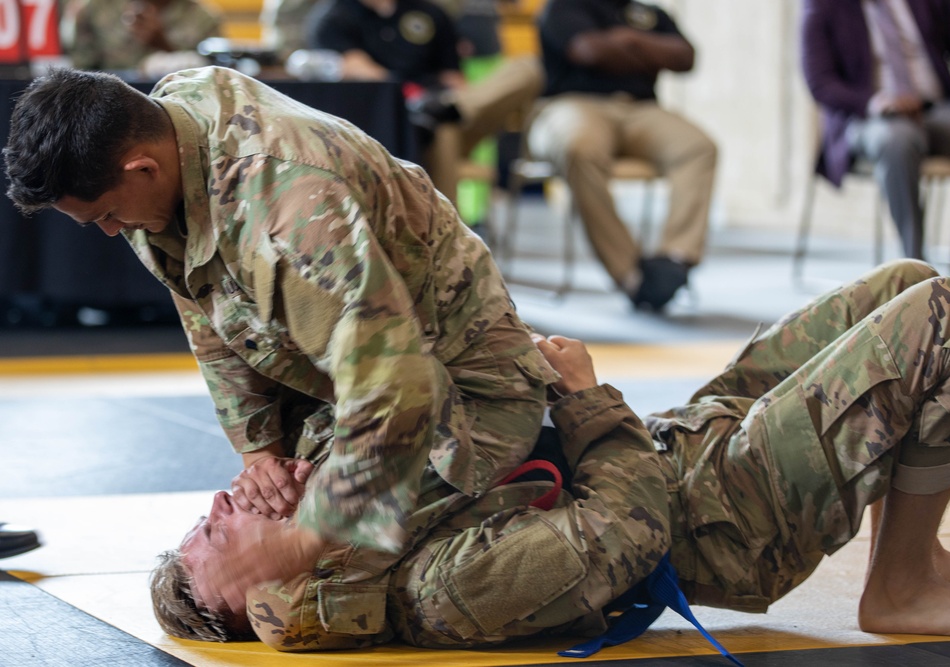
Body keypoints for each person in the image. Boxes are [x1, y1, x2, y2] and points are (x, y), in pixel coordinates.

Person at [150, 259, 950, 648]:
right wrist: (584, 396)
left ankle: (914, 552)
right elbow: (631, 524)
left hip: (681, 442)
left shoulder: (345, 495)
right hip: (727, 514)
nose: (224, 503)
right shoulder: (445, 591)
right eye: (218, 533)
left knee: (901, 281)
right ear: (272, 594)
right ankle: (896, 589)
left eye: (212, 510)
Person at [4, 65, 558, 621]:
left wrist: (303, 540)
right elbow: (203, 304)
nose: (109, 230)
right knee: (260, 539)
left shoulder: (290, 215)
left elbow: (397, 387)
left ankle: (600, 462)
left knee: (304, 596)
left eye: (106, 214)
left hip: (464, 389)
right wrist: (260, 450)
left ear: (142, 167)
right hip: (342, 369)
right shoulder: (168, 124)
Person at [529, 0, 717, 312]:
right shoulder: (564, 7)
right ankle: (630, 274)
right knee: (580, 148)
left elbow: (685, 57)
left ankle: (674, 259)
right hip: (573, 104)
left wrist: (628, 40)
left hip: (641, 109)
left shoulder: (651, 13)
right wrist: (648, 50)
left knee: (698, 147)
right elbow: (588, 51)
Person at [801, 0, 950, 261]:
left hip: (937, 108)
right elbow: (820, 81)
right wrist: (873, 102)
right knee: (897, 140)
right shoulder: (823, 5)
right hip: (868, 118)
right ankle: (915, 267)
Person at [308, 0, 545, 208]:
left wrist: (446, 102)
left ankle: (441, 110)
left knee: (527, 68)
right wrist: (415, 98)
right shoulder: (334, 17)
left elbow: (453, 79)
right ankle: (448, 242)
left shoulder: (429, 12)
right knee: (442, 128)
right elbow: (364, 72)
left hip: (446, 108)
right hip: (392, 125)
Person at [63, 0, 221, 72]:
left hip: (177, 108)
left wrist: (162, 43)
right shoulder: (95, 8)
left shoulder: (203, 18)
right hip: (107, 107)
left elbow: (209, 79)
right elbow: (81, 69)